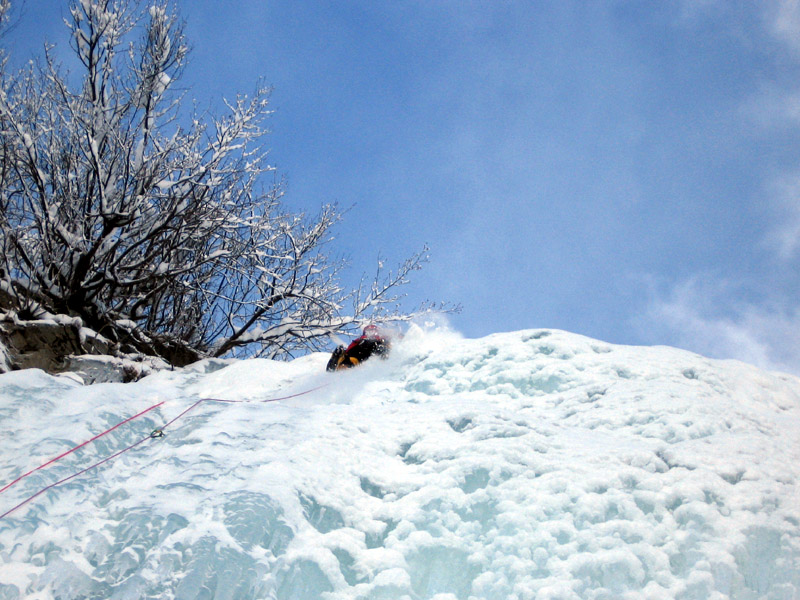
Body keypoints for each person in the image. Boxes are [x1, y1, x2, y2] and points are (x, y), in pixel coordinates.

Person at [326, 324, 390, 371]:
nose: (371, 333)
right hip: (359, 354)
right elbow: (350, 349)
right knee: (351, 357)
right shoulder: (360, 340)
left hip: (373, 353)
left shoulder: (382, 339)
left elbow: (389, 344)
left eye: (373, 331)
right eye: (369, 331)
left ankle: (343, 364)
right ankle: (340, 363)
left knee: (381, 348)